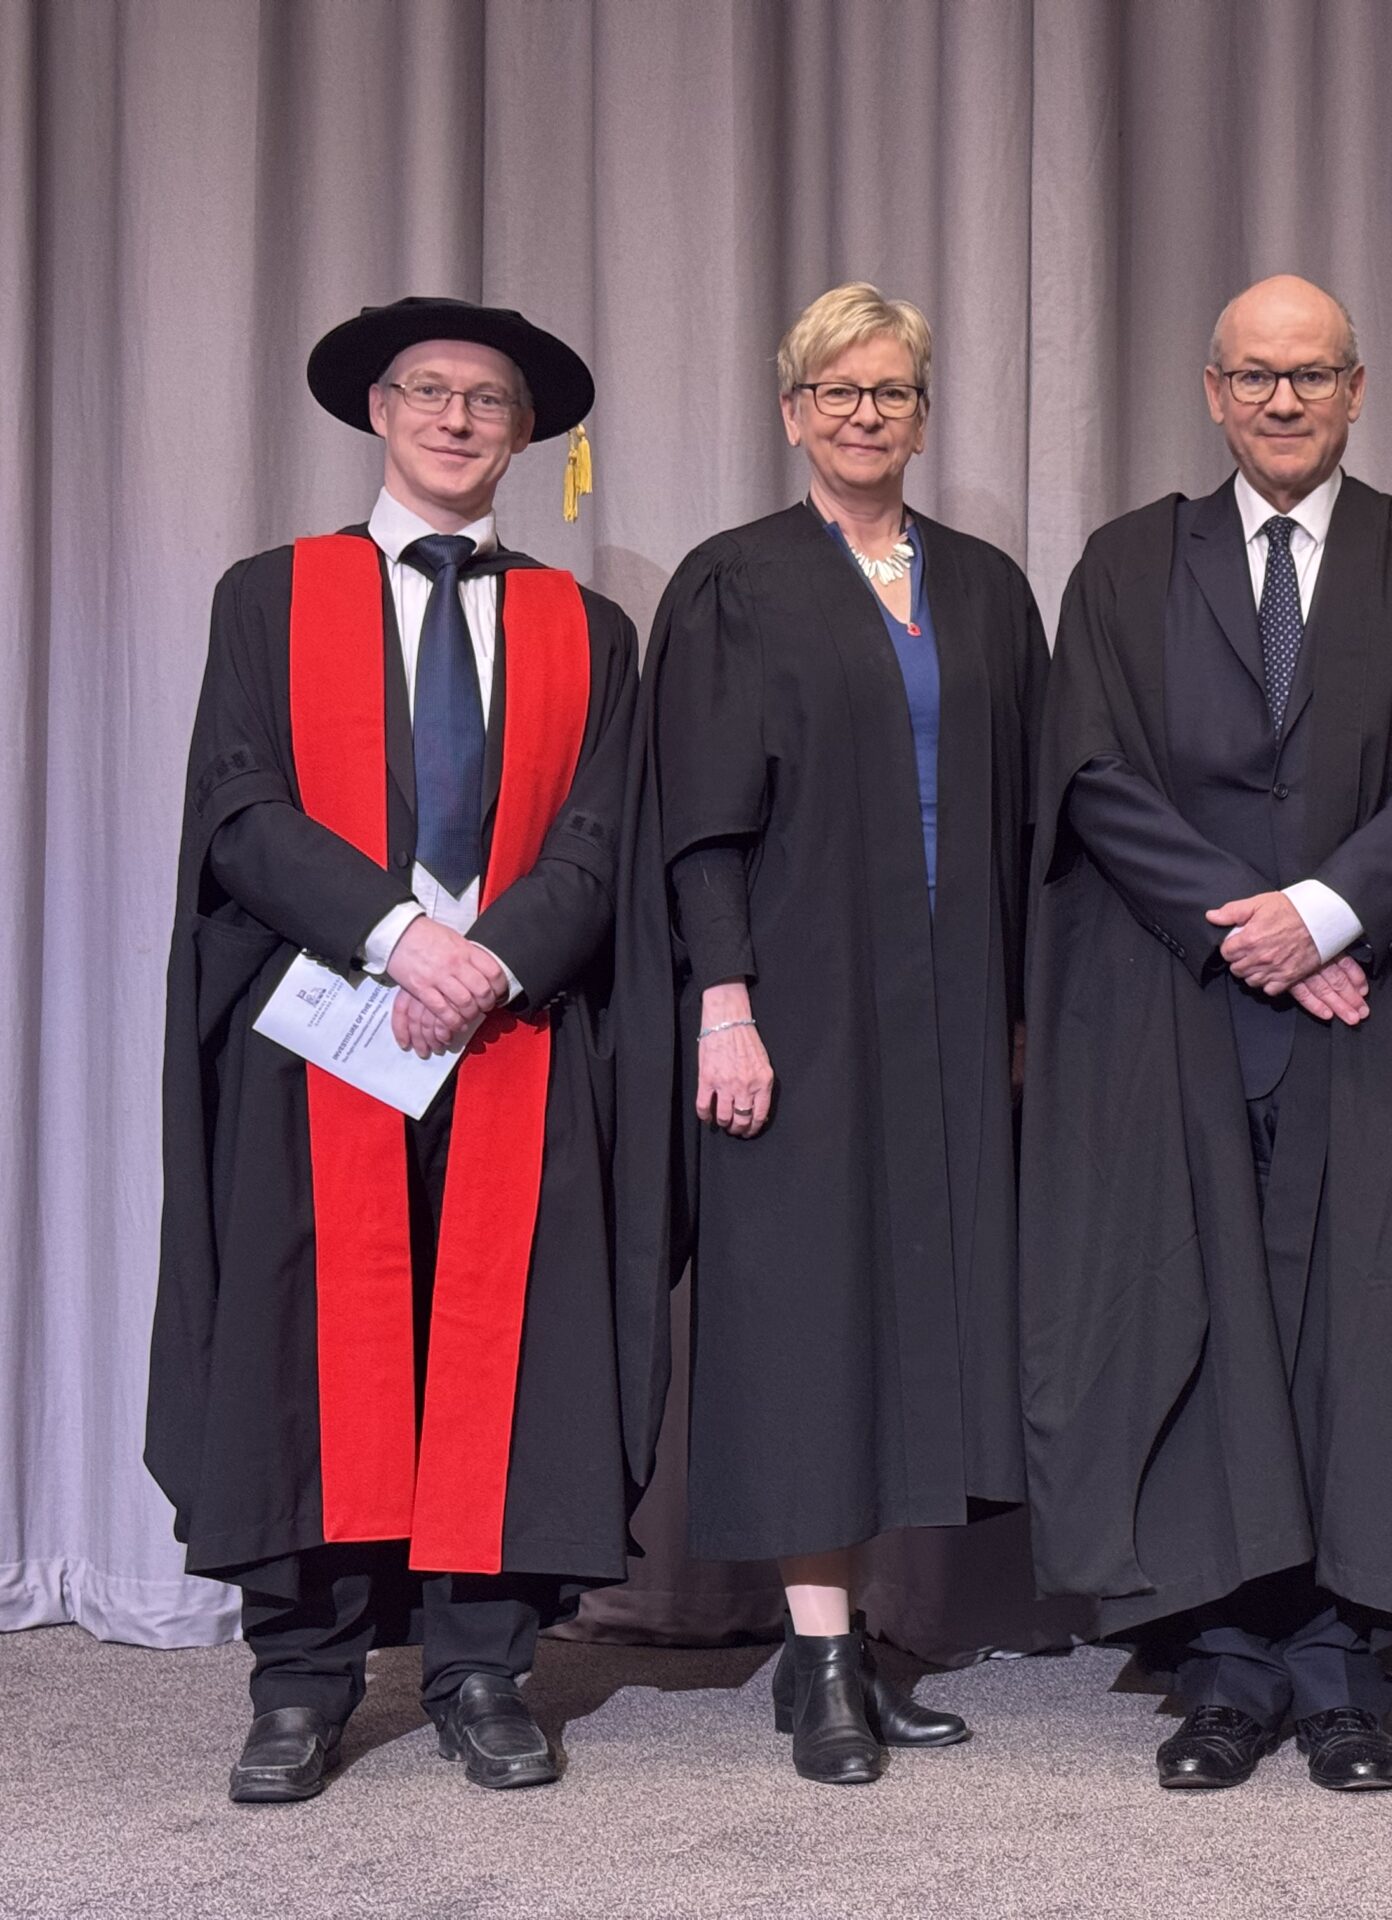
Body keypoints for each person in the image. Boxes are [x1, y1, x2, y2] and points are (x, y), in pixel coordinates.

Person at [1018, 274, 1392, 1795]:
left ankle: (1349, 1666)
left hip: (1378, 1003)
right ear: (1211, 393)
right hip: (1183, 1006)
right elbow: (1089, 771)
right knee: (1205, 1320)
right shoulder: (1127, 560)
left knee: (1362, 1328)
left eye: (1312, 376)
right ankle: (1224, 1662)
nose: (1283, 402)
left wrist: (1334, 913)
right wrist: (1252, 928)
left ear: (1359, 390)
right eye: (1255, 377)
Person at [150, 297, 652, 1802]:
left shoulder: (584, 626)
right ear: (378, 411)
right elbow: (240, 808)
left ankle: (484, 1666)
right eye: (428, 391)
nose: (454, 418)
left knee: (503, 1344)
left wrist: (490, 960)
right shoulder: (270, 597)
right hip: (325, 1036)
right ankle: (300, 1681)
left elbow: (601, 832)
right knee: (308, 1343)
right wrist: (400, 937)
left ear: (524, 434)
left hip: (514, 1030)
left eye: (486, 400)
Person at [619, 283, 1047, 1785]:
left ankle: (854, 1640)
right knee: (808, 1321)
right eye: (839, 391)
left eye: (894, 392)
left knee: (910, 1317)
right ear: (793, 410)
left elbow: (1026, 818)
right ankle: (813, 1665)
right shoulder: (737, 582)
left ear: (925, 414)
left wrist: (1013, 1012)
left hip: (947, 1013)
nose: (867, 415)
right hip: (795, 1007)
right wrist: (721, 1004)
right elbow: (697, 829)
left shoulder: (990, 588)